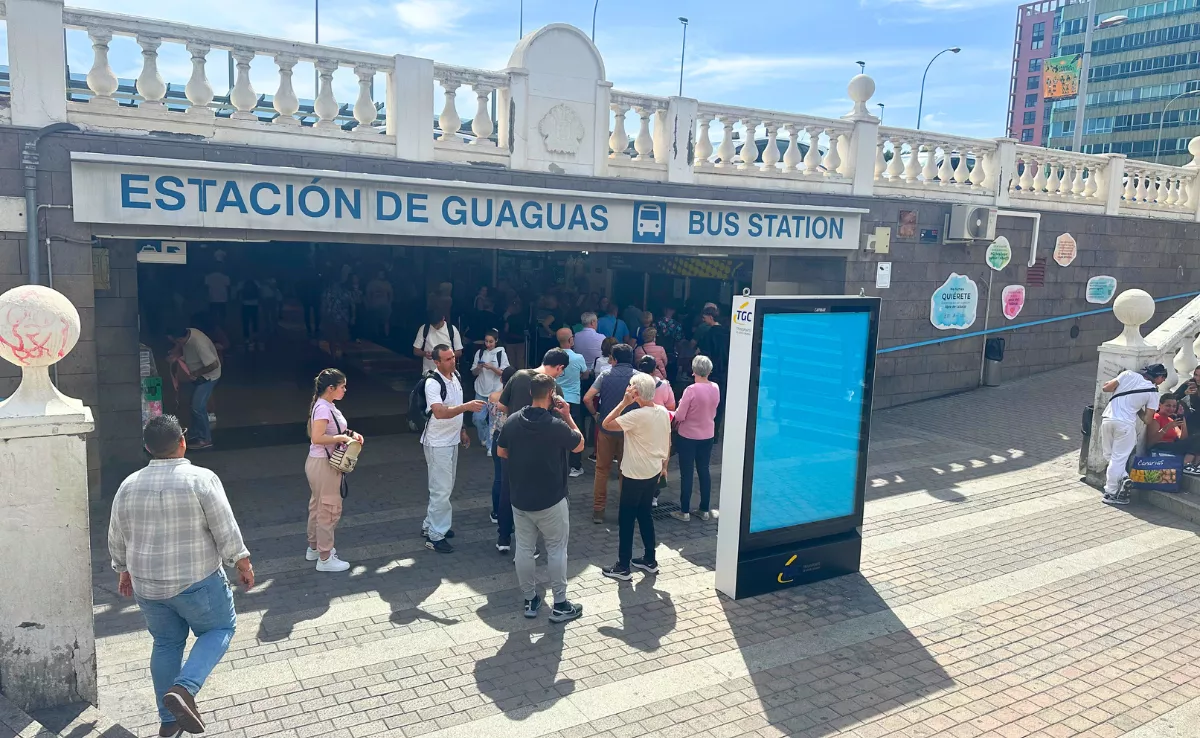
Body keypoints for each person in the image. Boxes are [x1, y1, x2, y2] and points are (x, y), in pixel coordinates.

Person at [108, 415, 253, 736]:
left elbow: (117, 535)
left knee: (166, 643)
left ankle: (169, 721)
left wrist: (122, 570)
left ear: (147, 448)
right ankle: (185, 689)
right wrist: (241, 562)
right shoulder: (201, 479)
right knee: (219, 628)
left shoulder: (128, 485)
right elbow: (224, 526)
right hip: (196, 580)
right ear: (182, 442)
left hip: (147, 585)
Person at [497, 374, 586, 622]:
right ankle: (560, 604)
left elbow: (501, 451)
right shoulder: (556, 425)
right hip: (551, 498)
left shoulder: (513, 421)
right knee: (557, 549)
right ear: (551, 395)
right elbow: (579, 445)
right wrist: (568, 415)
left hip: (521, 498)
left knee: (524, 550)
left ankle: (529, 599)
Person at [495, 349, 570, 552]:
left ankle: (503, 538)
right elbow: (560, 420)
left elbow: (501, 405)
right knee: (534, 498)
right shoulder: (553, 389)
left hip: (512, 443)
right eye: (561, 372)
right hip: (540, 451)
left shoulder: (518, 376)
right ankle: (530, 545)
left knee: (507, 490)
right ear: (559, 367)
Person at [601, 374, 671, 581]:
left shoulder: (636, 415)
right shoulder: (662, 412)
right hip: (653, 470)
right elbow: (667, 441)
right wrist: (664, 466)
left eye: (630, 386)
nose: (628, 388)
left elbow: (607, 423)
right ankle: (650, 559)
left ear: (637, 392)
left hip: (634, 473)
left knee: (627, 519)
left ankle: (623, 565)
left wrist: (623, 403)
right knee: (645, 514)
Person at [420, 345, 485, 553]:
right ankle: (435, 536)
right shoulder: (432, 383)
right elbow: (439, 412)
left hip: (450, 440)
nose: (452, 361)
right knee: (441, 490)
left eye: (452, 357)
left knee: (443, 487)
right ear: (436, 362)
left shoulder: (455, 376)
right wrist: (466, 407)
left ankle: (430, 525)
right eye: (447, 359)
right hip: (437, 442)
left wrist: (462, 430)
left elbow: (455, 406)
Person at [306, 369, 363, 572]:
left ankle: (315, 548)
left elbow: (333, 430)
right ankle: (325, 557)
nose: (345, 390)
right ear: (331, 388)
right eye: (342, 386)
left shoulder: (325, 405)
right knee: (329, 509)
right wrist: (341, 439)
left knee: (318, 506)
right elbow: (317, 437)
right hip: (324, 464)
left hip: (318, 463)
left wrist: (351, 434)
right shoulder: (323, 408)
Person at [584, 343, 637, 524]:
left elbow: (587, 398)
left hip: (606, 428)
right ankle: (626, 511)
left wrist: (595, 414)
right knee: (626, 471)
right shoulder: (639, 378)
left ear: (613, 359)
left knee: (602, 469)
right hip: (629, 431)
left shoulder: (605, 375)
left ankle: (598, 510)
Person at [1099, 364, 1167, 505]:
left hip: (1107, 419)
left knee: (1109, 456)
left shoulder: (1127, 374)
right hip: (1125, 425)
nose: (1164, 381)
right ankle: (1110, 493)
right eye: (1163, 378)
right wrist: (1136, 409)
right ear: (1158, 377)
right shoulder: (1153, 392)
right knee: (1118, 459)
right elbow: (1148, 420)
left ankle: (1123, 478)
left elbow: (1106, 388)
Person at [671, 355, 721, 522]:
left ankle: (684, 510)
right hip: (707, 433)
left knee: (687, 473)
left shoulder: (691, 390)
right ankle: (704, 509)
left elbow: (679, 415)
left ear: (693, 371)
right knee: (704, 470)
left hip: (688, 435)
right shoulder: (715, 387)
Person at [167, 323, 222, 451]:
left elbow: (213, 364)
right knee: (194, 405)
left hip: (209, 377)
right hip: (198, 376)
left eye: (174, 341)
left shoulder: (198, 343)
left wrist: (197, 373)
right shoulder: (189, 334)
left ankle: (205, 439)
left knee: (198, 407)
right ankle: (196, 434)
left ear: (179, 339)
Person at [555, 327, 591, 477]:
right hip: (573, 399)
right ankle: (575, 466)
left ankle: (556, 463)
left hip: (555, 398)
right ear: (570, 340)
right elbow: (586, 374)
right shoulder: (578, 358)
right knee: (575, 431)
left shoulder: (552, 356)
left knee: (555, 431)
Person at [489, 366, 518, 524]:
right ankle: (511, 512)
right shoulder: (516, 399)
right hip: (512, 440)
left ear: (501, 379)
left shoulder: (493, 396)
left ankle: (496, 512)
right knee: (512, 478)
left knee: (498, 477)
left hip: (496, 437)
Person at [471, 330, 510, 450]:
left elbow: (504, 373)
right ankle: (483, 438)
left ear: (496, 341)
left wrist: (492, 367)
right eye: (486, 341)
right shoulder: (480, 352)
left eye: (491, 341)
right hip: (481, 389)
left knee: (493, 421)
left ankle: (490, 446)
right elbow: (473, 372)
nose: (488, 344)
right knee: (477, 418)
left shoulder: (501, 353)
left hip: (495, 391)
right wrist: (478, 367)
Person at [1145, 395, 1200, 475]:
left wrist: (1183, 420)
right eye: (1168, 405)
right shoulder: (1156, 418)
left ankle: (1193, 464)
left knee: (1196, 439)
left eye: (1174, 406)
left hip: (1173, 446)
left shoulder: (1170, 420)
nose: (1171, 409)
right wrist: (1167, 427)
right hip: (1160, 446)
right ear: (1160, 405)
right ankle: (1187, 464)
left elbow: (1183, 438)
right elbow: (1150, 443)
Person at [696, 305, 730, 430]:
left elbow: (705, 354)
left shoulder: (709, 334)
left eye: (705, 317)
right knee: (720, 402)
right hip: (724, 371)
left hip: (712, 372)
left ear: (710, 317)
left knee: (708, 402)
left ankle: (707, 429)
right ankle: (716, 431)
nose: (703, 320)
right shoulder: (727, 333)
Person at [414, 309, 464, 374]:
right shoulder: (424, 328)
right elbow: (416, 351)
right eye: (434, 325)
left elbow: (459, 352)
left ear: (443, 318)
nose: (436, 327)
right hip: (429, 371)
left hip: (448, 372)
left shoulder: (452, 329)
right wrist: (425, 353)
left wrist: (446, 356)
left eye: (438, 324)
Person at [321, 277, 352, 360]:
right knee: (332, 338)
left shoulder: (344, 292)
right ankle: (333, 355)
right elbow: (324, 305)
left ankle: (344, 352)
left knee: (344, 337)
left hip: (342, 318)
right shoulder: (327, 292)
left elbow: (351, 304)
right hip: (330, 317)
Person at [365, 270, 394, 339]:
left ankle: (387, 337)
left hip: (385, 306)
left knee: (386, 321)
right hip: (374, 307)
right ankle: (376, 338)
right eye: (381, 274)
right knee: (375, 322)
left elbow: (391, 294)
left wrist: (389, 304)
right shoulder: (371, 284)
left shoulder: (387, 284)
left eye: (383, 274)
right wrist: (370, 305)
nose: (382, 275)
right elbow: (368, 295)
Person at [236, 277, 261, 352]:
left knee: (245, 322)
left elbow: (238, 293)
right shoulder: (256, 282)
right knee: (255, 321)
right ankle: (255, 337)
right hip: (255, 304)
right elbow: (259, 293)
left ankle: (246, 338)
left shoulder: (241, 283)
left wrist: (238, 301)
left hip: (245, 304)